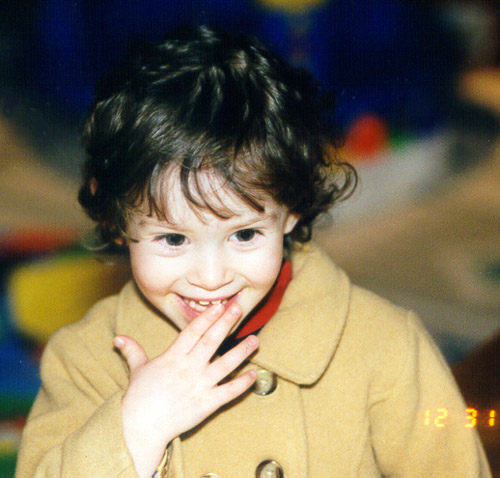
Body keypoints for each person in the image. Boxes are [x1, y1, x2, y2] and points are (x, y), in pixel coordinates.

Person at [16, 25, 490, 477]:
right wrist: (136, 428)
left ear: (292, 210)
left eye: (243, 235)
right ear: (118, 223)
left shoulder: (386, 347)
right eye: (174, 239)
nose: (210, 277)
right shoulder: (84, 360)